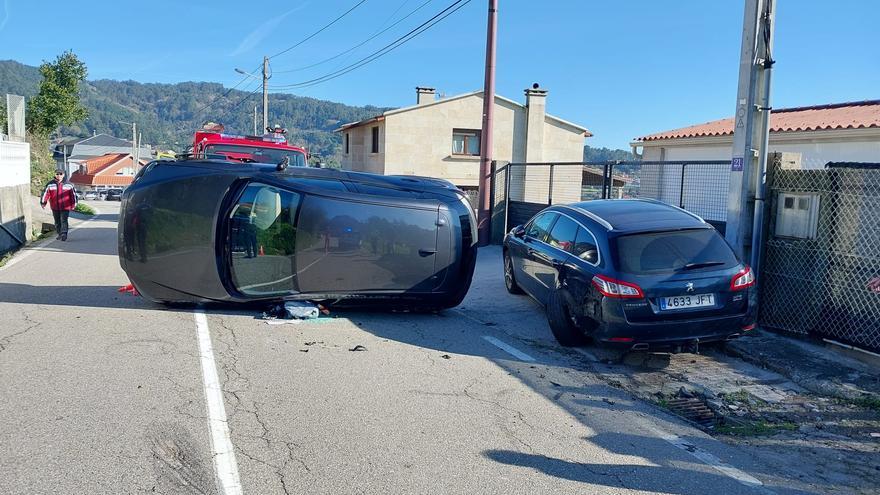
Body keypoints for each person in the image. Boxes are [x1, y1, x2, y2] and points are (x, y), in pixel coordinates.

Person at [40, 169, 78, 241]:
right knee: (57, 221)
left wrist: (74, 205)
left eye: (60, 174)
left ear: (63, 175)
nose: (59, 175)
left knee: (64, 220)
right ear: (55, 175)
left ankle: (64, 233)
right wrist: (43, 203)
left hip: (65, 207)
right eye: (57, 174)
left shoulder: (69, 185)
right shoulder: (50, 184)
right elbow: (45, 194)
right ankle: (59, 233)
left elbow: (73, 195)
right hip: (55, 207)